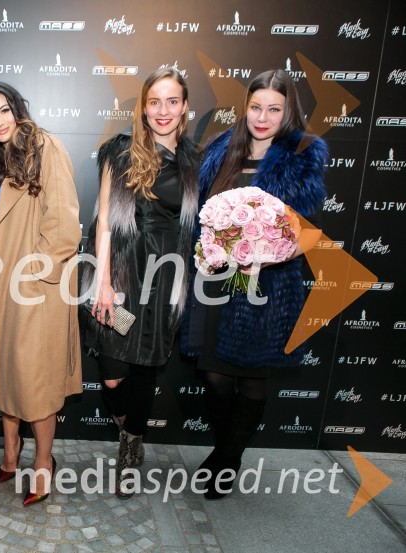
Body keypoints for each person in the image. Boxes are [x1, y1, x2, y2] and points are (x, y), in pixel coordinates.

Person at [181, 69, 327, 499]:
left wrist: (265, 256)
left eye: (274, 109)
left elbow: (309, 232)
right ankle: (227, 449)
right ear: (245, 108)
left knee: (251, 378)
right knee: (214, 376)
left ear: (288, 112)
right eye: (256, 107)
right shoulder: (221, 149)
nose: (262, 117)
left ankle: (227, 460)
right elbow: (203, 217)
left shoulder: (302, 155)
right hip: (215, 281)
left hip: (268, 286)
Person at [80, 67, 200, 498]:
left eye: (172, 101)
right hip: (124, 275)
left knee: (146, 371)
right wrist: (105, 282)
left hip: (164, 278)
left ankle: (130, 450)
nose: (162, 111)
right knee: (112, 375)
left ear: (185, 107)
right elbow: (106, 223)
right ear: (143, 107)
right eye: (154, 102)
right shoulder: (120, 151)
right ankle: (129, 430)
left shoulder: (193, 160)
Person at [0, 82, 82, 506]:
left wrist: (33, 276)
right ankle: (10, 450)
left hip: (33, 288)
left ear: (18, 109)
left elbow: (63, 223)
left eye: (4, 110)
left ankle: (42, 460)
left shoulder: (44, 146)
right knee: (7, 370)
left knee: (34, 380)